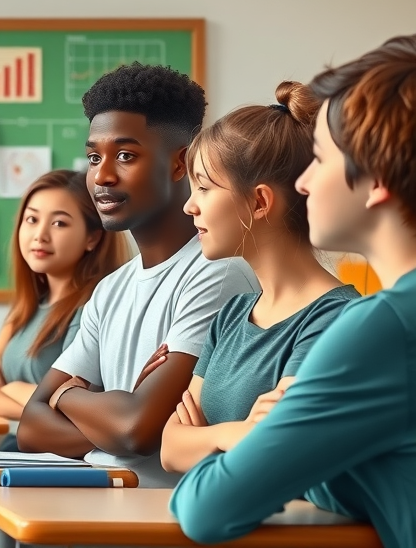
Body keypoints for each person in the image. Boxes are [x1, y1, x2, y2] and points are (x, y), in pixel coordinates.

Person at [0, 63, 259, 548]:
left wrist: (66, 397)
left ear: (179, 163)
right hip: (90, 490)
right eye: (92, 156)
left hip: (150, 508)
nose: (99, 176)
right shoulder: (112, 288)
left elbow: (138, 431)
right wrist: (105, 413)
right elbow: (35, 426)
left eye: (125, 155)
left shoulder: (217, 273)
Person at [171, 35, 416, 548]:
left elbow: (205, 508)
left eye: (320, 159)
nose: (302, 185)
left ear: (373, 180)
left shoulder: (380, 325)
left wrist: (278, 452)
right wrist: (331, 469)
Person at [160, 81, 359, 474]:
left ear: (259, 201)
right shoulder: (232, 315)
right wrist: (231, 435)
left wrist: (204, 438)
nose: (189, 206)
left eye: (203, 188)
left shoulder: (335, 321)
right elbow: (169, 449)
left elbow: (277, 453)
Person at [0, 169, 127, 451]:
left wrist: (8, 389)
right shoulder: (25, 308)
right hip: (16, 445)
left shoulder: (91, 309)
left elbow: (77, 407)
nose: (40, 235)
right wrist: (37, 404)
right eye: (32, 219)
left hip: (59, 457)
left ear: (92, 238)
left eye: (59, 224)